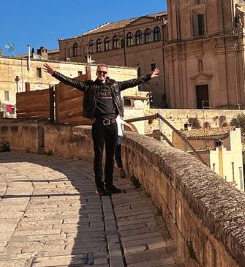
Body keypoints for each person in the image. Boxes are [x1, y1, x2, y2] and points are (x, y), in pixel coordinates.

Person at [44, 62, 160, 194]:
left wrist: (149, 76)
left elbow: (133, 82)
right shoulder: (89, 86)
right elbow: (71, 82)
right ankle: (100, 187)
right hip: (98, 125)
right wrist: (54, 73)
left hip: (112, 125)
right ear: (97, 73)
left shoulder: (115, 86)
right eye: (100, 72)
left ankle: (109, 185)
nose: (102, 74)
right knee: (98, 157)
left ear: (107, 73)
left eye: (104, 72)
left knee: (110, 157)